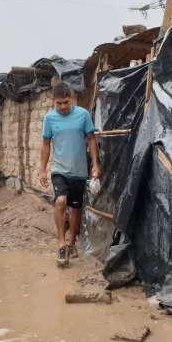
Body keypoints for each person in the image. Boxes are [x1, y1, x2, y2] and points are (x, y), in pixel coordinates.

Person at [40, 82, 100, 265]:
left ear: (71, 98)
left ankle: (72, 243)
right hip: (59, 169)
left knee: (75, 208)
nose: (63, 106)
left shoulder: (82, 115)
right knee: (60, 201)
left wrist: (95, 165)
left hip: (79, 171)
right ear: (53, 101)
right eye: (59, 103)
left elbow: (91, 139)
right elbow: (45, 144)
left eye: (65, 102)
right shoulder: (49, 118)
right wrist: (42, 170)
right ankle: (61, 245)